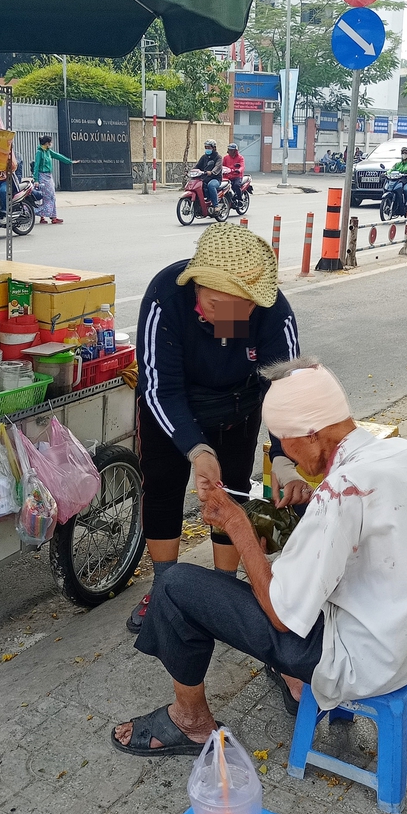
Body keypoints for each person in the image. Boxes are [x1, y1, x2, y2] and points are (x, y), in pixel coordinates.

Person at [111, 358, 407, 756]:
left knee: (175, 587)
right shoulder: (402, 454)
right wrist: (311, 515)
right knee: (278, 573)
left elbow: (279, 614)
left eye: (283, 442)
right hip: (405, 647)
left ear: (311, 435)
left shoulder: (343, 490)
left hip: (357, 662)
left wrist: (236, 524)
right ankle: (293, 678)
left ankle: (189, 720)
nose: (285, 456)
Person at [125, 222, 310, 635]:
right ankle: (165, 587)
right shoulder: (165, 297)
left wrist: (282, 456)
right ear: (195, 287)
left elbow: (286, 389)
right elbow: (160, 387)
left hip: (236, 407)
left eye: (237, 308)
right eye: (214, 303)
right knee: (162, 488)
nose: (224, 315)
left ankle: (223, 591)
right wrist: (196, 449)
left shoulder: (272, 312)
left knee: (231, 494)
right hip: (173, 408)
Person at [32, 135, 79, 224]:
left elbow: (59, 156)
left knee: (50, 197)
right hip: (42, 176)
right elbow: (36, 166)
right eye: (50, 142)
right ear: (46, 143)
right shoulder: (39, 152)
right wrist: (36, 180)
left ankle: (50, 217)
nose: (51, 144)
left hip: (49, 176)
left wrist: (69, 161)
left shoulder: (48, 151)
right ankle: (43, 214)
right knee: (49, 197)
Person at [193, 139, 223, 214]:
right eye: (206, 147)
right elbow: (197, 166)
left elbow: (218, 167)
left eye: (209, 148)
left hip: (215, 178)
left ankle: (216, 206)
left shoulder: (218, 157)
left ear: (214, 148)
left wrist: (212, 172)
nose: (207, 149)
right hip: (205, 178)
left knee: (211, 185)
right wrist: (191, 171)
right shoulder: (204, 157)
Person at [390, 146, 407, 214]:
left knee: (406, 190)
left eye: (406, 153)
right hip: (398, 181)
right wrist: (385, 174)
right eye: (403, 153)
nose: (404, 154)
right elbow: (391, 170)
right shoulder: (398, 164)